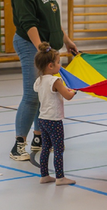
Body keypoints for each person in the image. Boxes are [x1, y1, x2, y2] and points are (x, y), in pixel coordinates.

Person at [10, 0, 78, 161]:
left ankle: (39, 138)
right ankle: (18, 145)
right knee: (32, 96)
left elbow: (53, 20)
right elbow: (28, 23)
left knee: (45, 93)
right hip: (31, 45)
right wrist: (40, 48)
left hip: (45, 48)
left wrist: (66, 40)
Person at [33, 43, 77, 185]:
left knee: (45, 148)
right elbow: (68, 96)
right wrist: (74, 90)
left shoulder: (39, 80)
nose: (60, 65)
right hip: (54, 120)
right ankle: (60, 177)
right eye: (58, 62)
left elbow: (44, 91)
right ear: (50, 66)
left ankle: (44, 175)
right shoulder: (55, 80)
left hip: (42, 119)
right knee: (58, 149)